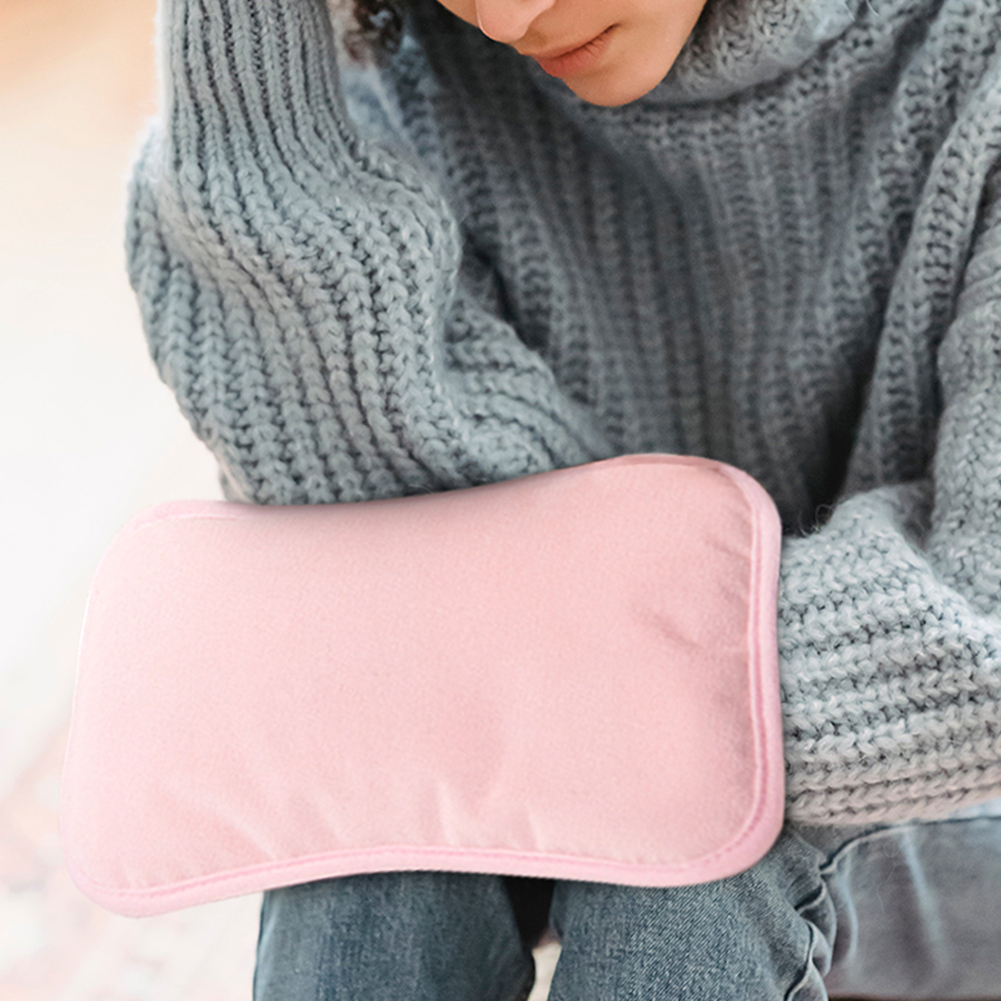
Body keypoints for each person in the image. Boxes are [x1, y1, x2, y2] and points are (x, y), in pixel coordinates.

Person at [123, 0, 1001, 995]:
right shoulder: (399, 71)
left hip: (962, 796)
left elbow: (980, 627)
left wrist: (549, 690)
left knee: (690, 855)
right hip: (624, 728)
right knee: (376, 853)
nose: (511, 15)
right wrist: (255, 125)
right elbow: (378, 569)